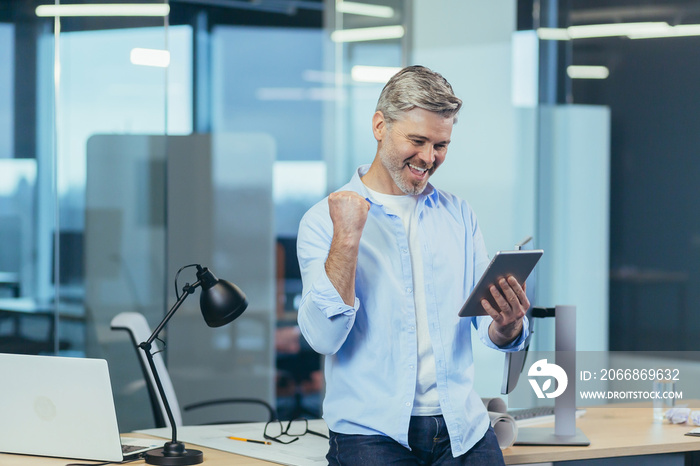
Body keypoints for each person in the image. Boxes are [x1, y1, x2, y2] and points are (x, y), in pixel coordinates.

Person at [296, 65, 530, 465]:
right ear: (379, 126)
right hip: (370, 435)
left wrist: (507, 326)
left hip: (463, 428)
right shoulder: (324, 221)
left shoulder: (459, 215)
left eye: (440, 145)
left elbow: (486, 329)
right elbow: (323, 337)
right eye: (417, 140)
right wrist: (348, 239)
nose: (428, 158)